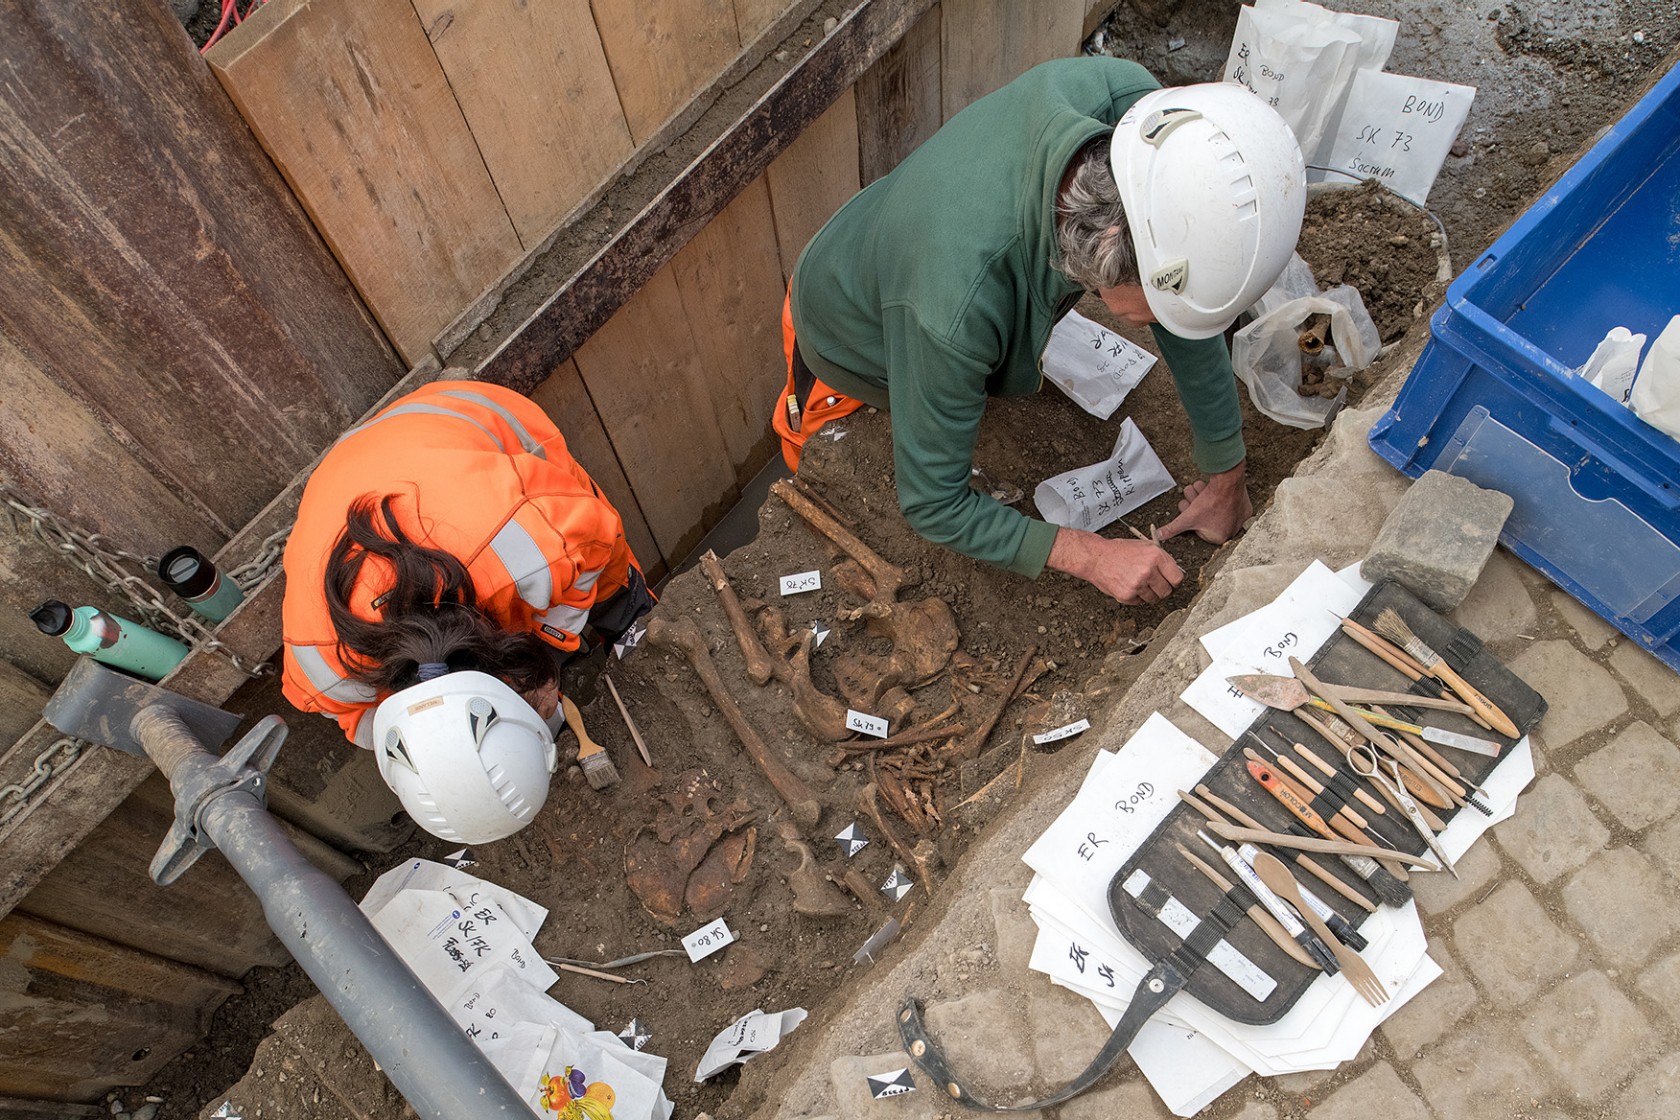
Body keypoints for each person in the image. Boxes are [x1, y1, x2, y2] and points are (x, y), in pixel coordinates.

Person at [772, 58, 1306, 607]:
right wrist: (1093, 554)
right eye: (1164, 312)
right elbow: (933, 504)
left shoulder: (1141, 130)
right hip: (848, 323)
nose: (1171, 327)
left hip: (914, 234)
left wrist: (1227, 475)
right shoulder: (951, 311)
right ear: (1105, 254)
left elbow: (1182, 301)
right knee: (817, 447)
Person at [280, 379, 655, 841]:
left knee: (607, 586)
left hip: (465, 422)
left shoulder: (528, 543)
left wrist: (554, 644)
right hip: (350, 480)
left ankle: (630, 625)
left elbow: (595, 540)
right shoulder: (322, 673)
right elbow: (360, 720)